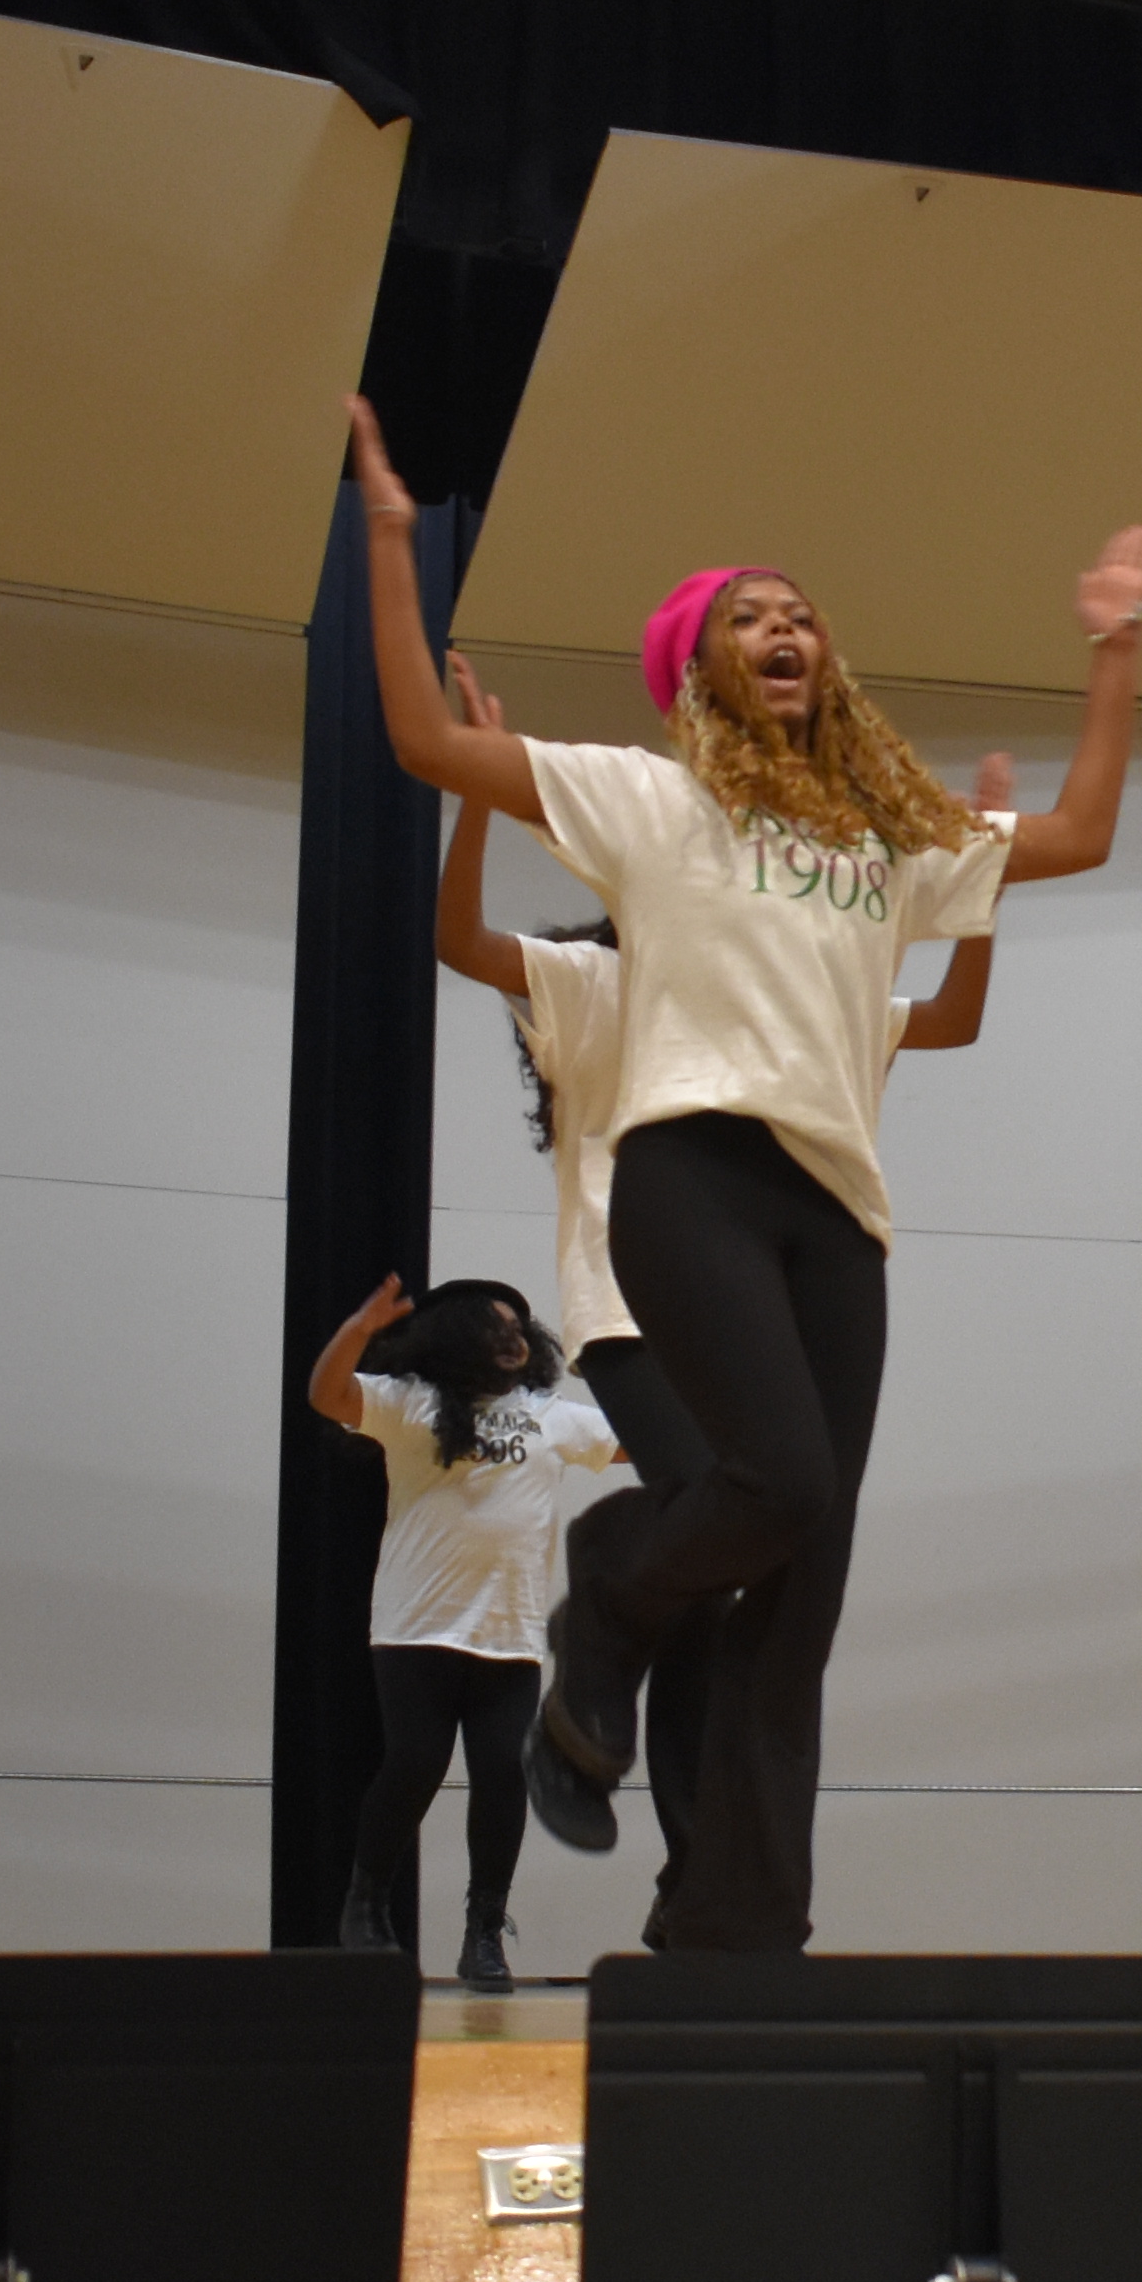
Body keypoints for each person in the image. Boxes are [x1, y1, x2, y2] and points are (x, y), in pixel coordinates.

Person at [354, 394, 1142, 1949]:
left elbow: (1081, 832)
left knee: (805, 1597)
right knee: (779, 1480)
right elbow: (425, 742)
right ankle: (613, 1581)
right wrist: (392, 543)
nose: (783, 628)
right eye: (747, 617)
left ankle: (740, 1930)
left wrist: (1114, 654)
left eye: (799, 615)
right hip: (689, 1177)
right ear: (696, 672)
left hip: (837, 1211)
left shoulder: (888, 832)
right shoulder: (653, 800)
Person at [431, 653, 1004, 1938]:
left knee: (760, 1583)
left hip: (764, 1311)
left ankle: (709, 1889)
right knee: (725, 1513)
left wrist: (980, 886)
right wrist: (475, 795)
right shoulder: (597, 978)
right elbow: (460, 941)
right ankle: (609, 1641)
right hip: (632, 1303)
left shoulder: (800, 994)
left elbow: (950, 1018)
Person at [307, 1273, 627, 1987]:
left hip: (509, 1635)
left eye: (518, 1326)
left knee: (502, 1775)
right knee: (414, 1764)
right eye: (493, 1325)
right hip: (417, 1629)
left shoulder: (551, 1416)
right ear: (455, 1337)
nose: (511, 1338)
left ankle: (484, 1933)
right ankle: (365, 1904)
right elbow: (327, 1395)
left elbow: (644, 1445)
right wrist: (359, 1329)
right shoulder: (411, 1404)